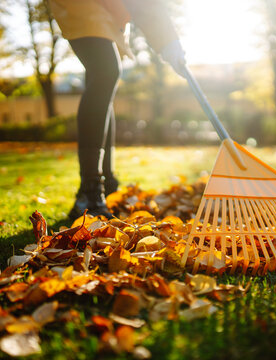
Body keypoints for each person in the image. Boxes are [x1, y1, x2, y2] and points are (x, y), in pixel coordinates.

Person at [48, 0, 186, 219]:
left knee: (102, 80)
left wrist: (167, 40)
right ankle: (89, 192)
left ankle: (107, 184)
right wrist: (167, 40)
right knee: (106, 70)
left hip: (108, 9)